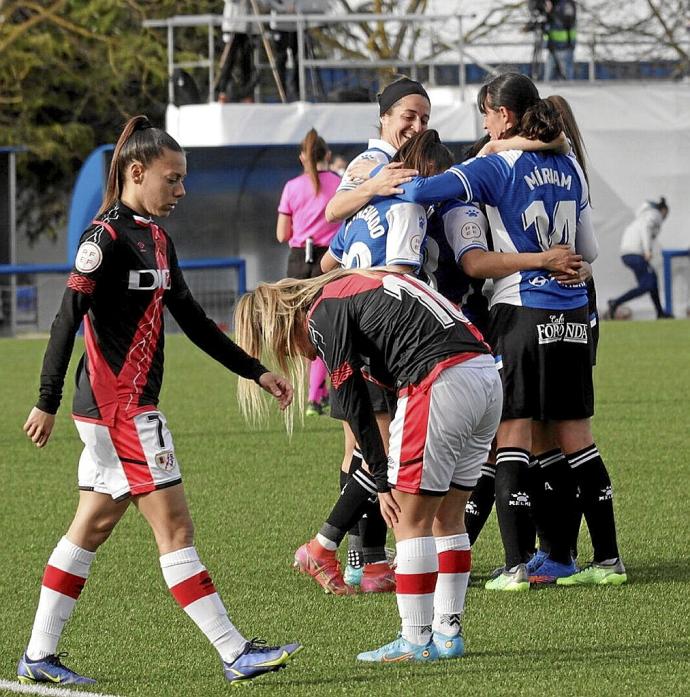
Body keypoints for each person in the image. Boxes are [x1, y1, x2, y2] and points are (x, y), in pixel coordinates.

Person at [17, 116, 301, 687]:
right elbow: (65, 320)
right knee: (175, 529)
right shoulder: (104, 238)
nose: (181, 191)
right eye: (172, 179)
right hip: (121, 410)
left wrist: (255, 370)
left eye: (183, 180)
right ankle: (233, 650)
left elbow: (192, 320)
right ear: (136, 172)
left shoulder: (157, 238)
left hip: (117, 412)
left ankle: (38, 658)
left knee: (90, 527)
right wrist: (45, 399)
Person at [396, 72, 626, 590]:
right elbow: (587, 251)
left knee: (511, 438)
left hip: (521, 309)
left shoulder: (495, 164)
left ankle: (517, 564)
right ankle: (607, 560)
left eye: (486, 114)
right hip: (571, 313)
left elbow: (421, 187)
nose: (483, 124)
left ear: (502, 115)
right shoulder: (568, 164)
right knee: (577, 440)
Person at [234, 268, 502, 662]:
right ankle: (448, 634)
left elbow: (354, 400)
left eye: (282, 347)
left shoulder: (323, 313)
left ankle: (414, 639)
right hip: (483, 374)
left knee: (410, 522)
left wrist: (381, 478)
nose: (293, 355)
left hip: (438, 379)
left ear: (280, 323)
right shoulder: (359, 284)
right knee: (449, 518)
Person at [310, 75, 429, 592]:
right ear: (384, 117)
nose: (416, 125)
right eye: (408, 115)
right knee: (381, 447)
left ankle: (364, 560)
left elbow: (329, 249)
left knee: (358, 447)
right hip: (378, 327)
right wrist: (378, 185)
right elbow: (336, 211)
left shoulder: (379, 172)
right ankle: (366, 556)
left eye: (424, 118)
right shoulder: (383, 168)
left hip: (351, 322)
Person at [276, 128, 341, 415]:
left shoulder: (292, 187)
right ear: (327, 155)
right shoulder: (339, 183)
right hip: (329, 259)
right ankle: (316, 394)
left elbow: (281, 234)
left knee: (302, 329)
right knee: (327, 326)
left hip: (297, 260)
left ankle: (316, 391)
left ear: (303, 157)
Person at [608, 197, 672, 320]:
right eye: (666, 214)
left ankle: (660, 312)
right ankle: (615, 302)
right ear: (663, 210)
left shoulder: (641, 217)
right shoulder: (654, 215)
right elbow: (646, 229)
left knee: (652, 278)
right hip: (635, 253)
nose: (665, 217)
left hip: (628, 253)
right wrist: (647, 250)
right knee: (647, 284)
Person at [217, 0, 259, 103]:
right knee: (229, 61)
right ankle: (222, 92)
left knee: (247, 61)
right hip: (233, 25)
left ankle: (247, 94)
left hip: (248, 27)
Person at [544, 0, 577, 80]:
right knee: (548, 78)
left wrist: (551, 11)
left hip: (565, 47)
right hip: (552, 48)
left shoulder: (567, 4)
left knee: (566, 79)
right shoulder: (552, 3)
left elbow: (566, 19)